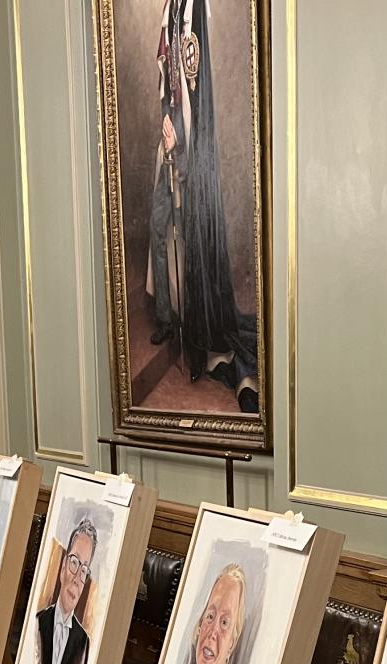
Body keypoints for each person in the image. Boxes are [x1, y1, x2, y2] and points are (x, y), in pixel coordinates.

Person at [145, 0, 260, 413]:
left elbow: (193, 85)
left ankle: (195, 332)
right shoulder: (169, 11)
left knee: (190, 236)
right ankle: (167, 317)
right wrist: (166, 119)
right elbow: (167, 76)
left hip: (190, 146)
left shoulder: (195, 11)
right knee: (161, 227)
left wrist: (183, 133)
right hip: (171, 139)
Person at [32, 517, 96, 664]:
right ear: (62, 567)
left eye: (84, 570)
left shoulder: (83, 642)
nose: (77, 577)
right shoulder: (37, 623)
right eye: (75, 562)